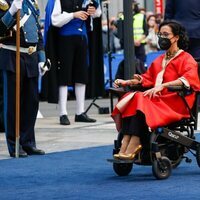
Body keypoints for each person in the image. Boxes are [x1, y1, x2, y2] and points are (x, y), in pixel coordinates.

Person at [111, 20, 200, 160]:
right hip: (158, 100)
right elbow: (148, 79)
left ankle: (134, 142)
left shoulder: (186, 58)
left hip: (176, 102)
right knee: (132, 96)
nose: (161, 38)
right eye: (160, 34)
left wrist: (163, 86)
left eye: (166, 34)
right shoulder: (159, 59)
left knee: (139, 98)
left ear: (176, 37)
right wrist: (128, 81)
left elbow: (189, 79)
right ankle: (127, 141)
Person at [43, 0, 101, 125]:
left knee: (81, 76)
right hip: (65, 39)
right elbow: (55, 20)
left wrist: (93, 11)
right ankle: (63, 113)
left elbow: (97, 14)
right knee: (64, 76)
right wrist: (73, 15)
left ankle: (80, 112)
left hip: (82, 38)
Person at [0, 0, 46, 157]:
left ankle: (28, 142)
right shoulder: (4, 3)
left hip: (31, 56)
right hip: (12, 55)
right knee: (13, 103)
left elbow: (38, 33)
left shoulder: (31, 3)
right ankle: (14, 143)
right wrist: (11, 11)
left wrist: (41, 57)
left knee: (31, 102)